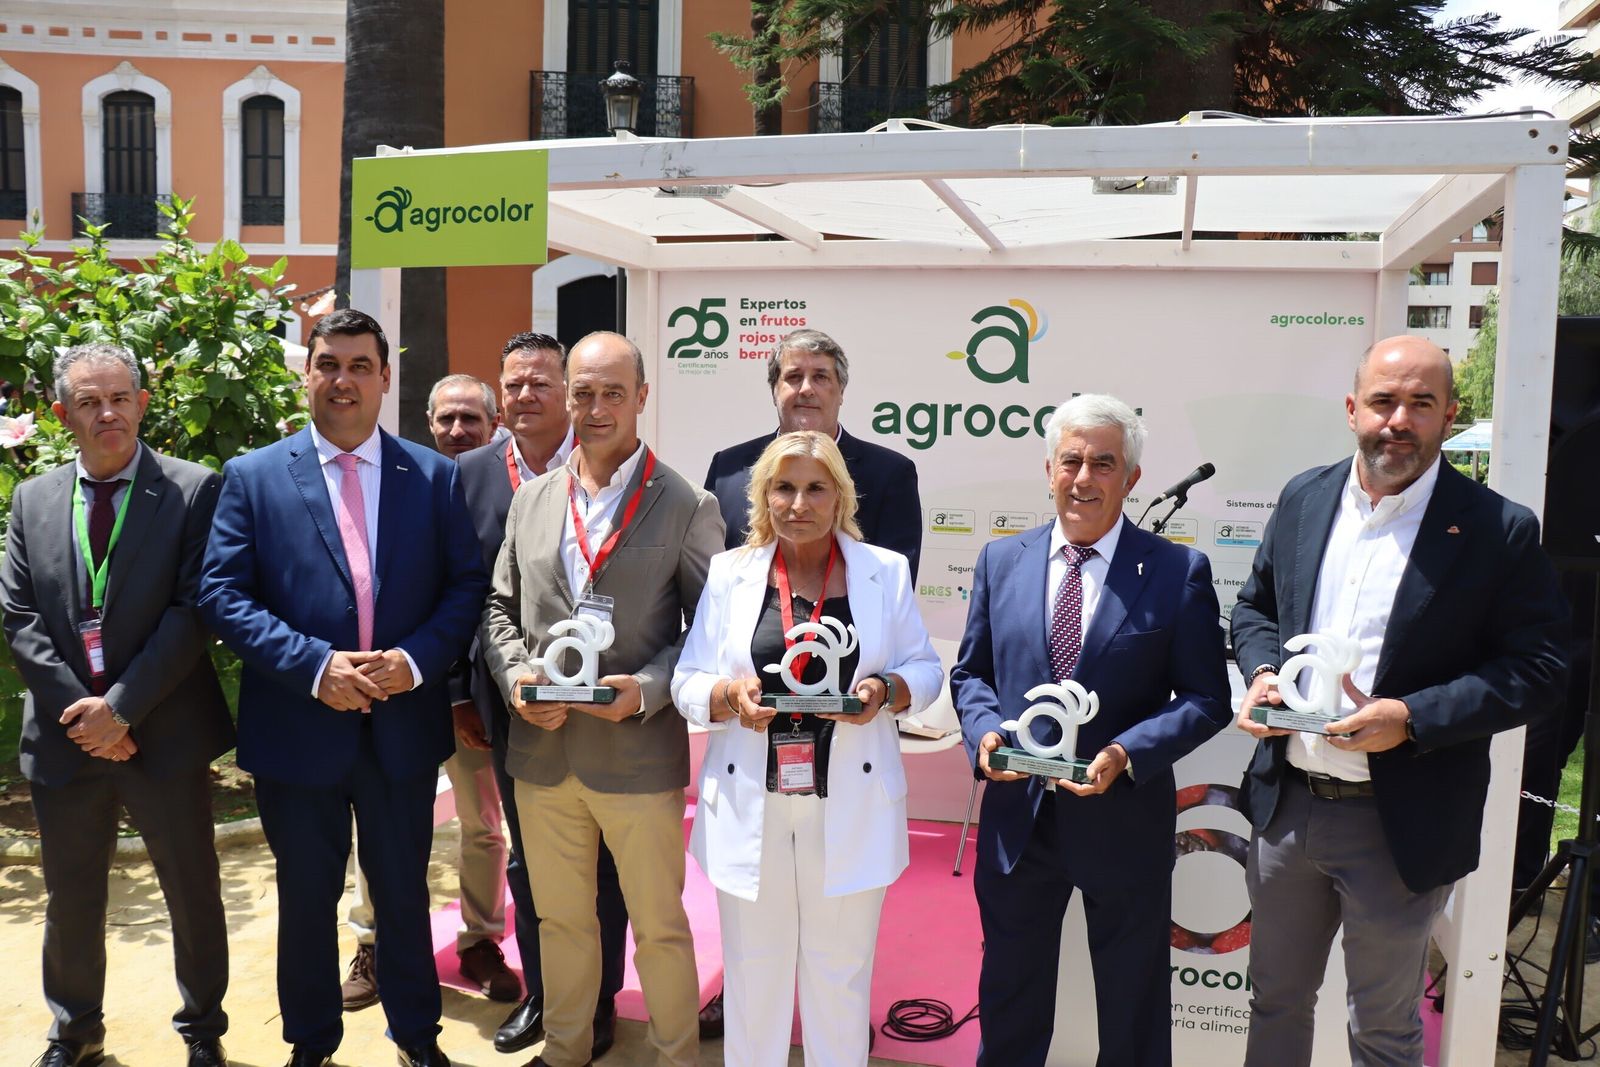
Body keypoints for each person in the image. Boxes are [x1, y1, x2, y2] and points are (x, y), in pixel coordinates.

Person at [1231, 335, 1569, 1067]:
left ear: (1450, 414)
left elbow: (1541, 667)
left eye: (1421, 403)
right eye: (1384, 401)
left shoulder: (1496, 529)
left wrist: (1412, 719)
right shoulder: (1304, 496)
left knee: (1383, 1028)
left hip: (1399, 823)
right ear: (1353, 408)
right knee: (1275, 1003)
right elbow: (1256, 606)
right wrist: (1260, 672)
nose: (1399, 420)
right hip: (1286, 808)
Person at [199, 308, 488, 1067]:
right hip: (299, 729)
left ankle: (417, 1037)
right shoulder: (253, 476)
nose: (344, 380)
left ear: (387, 377)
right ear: (308, 374)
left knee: (402, 895)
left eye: (361, 365)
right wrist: (314, 667)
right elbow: (223, 595)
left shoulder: (433, 476)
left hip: (401, 728)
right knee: (305, 901)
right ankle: (311, 1043)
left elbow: (465, 587)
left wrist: (416, 661)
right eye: (330, 363)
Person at [951, 393, 1232, 1067]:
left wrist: (1124, 751)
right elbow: (972, 675)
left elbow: (1205, 697)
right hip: (1018, 823)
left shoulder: (1175, 571)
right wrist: (986, 735)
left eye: (1103, 463)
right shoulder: (999, 561)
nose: (1083, 478)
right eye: (1071, 460)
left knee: (1132, 1014)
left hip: (1122, 822)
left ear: (1131, 478)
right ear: (1048, 468)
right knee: (1011, 1003)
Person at [481, 330, 723, 1067]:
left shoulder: (687, 502)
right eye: (582, 391)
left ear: (642, 398)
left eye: (612, 392)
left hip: (635, 756)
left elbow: (711, 630)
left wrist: (646, 690)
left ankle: (677, 1055)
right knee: (559, 920)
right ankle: (565, 1048)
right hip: (543, 753)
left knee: (658, 926)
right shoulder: (532, 499)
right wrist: (517, 676)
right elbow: (498, 608)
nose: (594, 408)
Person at [672, 430, 943, 1066]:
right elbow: (687, 681)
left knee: (839, 981)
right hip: (752, 800)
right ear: (762, 497)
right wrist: (728, 695)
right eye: (784, 487)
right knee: (752, 981)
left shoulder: (885, 570)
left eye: (815, 487)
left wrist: (887, 688)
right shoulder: (730, 572)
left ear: (840, 496)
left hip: (850, 801)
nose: (799, 502)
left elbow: (927, 671)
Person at [2, 343, 234, 1067]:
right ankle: (74, 1033)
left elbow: (193, 609)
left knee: (192, 892)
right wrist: (86, 713)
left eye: (120, 397)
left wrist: (124, 708)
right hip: (68, 739)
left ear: (142, 400)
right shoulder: (31, 498)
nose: (108, 412)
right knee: (70, 900)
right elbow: (19, 617)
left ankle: (203, 1033)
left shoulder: (195, 489)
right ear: (62, 412)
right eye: (89, 401)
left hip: (163, 734)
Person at [455, 333, 630, 1056]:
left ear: (569, 391)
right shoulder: (466, 476)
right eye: (514, 384)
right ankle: (544, 993)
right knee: (530, 859)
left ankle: (602, 1001)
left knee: (606, 863)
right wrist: (464, 695)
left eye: (541, 383)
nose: (526, 396)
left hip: (607, 704)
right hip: (511, 703)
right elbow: (464, 594)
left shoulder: (618, 468)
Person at [340, 373, 520, 1009]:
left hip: (477, 696)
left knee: (483, 828)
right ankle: (374, 941)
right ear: (426, 419)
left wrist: (466, 694)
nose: (457, 431)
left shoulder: (508, 490)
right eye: (445, 418)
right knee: (379, 822)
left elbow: (487, 601)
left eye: (471, 419)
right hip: (402, 694)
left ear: (494, 426)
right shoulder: (397, 483)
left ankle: (480, 941)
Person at [704, 329, 922, 579]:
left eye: (820, 377)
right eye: (794, 377)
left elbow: (895, 588)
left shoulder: (890, 474)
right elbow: (709, 578)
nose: (806, 389)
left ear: (841, 392)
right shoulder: (728, 470)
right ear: (774, 390)